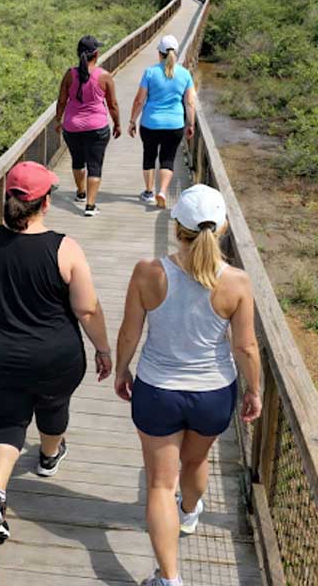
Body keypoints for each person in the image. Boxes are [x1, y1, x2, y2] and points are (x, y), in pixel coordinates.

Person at [0, 161, 112, 541]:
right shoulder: (65, 248)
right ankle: (47, 456)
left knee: (6, 420)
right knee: (53, 406)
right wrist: (103, 349)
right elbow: (86, 309)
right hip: (53, 356)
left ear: (8, 198)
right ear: (45, 203)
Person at [114, 184, 262, 586]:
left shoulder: (149, 271)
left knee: (160, 485)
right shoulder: (237, 281)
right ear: (224, 226)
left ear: (177, 226)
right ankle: (191, 512)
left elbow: (130, 332)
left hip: (158, 390)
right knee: (195, 463)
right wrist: (254, 390)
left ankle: (170, 578)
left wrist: (122, 370)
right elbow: (245, 346)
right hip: (213, 394)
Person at [55, 35, 121, 217]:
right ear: (96, 54)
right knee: (95, 165)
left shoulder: (70, 74)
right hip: (97, 128)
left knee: (78, 160)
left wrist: (58, 120)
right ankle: (90, 206)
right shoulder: (105, 76)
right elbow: (113, 104)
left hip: (72, 127)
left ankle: (81, 192)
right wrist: (117, 124)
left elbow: (61, 101)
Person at [127, 34, 196, 209]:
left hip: (151, 123)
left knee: (149, 156)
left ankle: (149, 192)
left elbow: (139, 100)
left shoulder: (150, 72)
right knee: (168, 159)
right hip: (175, 125)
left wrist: (132, 120)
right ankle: (162, 192)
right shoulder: (185, 74)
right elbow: (189, 102)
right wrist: (191, 124)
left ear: (160, 53)